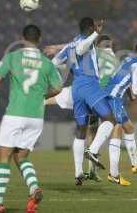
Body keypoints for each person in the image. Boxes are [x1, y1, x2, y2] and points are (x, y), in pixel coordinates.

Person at [0, 25, 62, 213]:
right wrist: (41, 96)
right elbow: (58, 88)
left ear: (22, 38)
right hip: (36, 117)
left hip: (15, 113)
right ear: (40, 39)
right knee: (21, 157)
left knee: (4, 157)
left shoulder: (13, 57)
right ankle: (33, 187)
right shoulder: (47, 62)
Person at [51, 17, 116, 182]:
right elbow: (80, 49)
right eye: (94, 27)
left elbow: (54, 62)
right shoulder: (82, 42)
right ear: (89, 28)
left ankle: (78, 173)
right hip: (89, 84)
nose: (97, 28)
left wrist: (69, 68)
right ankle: (92, 150)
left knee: (81, 130)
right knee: (109, 119)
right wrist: (96, 33)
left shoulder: (70, 45)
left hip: (77, 86)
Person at [105, 42, 137, 185]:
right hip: (113, 97)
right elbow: (136, 89)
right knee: (117, 130)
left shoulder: (129, 58)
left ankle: (136, 164)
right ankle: (113, 173)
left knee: (130, 128)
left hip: (113, 96)